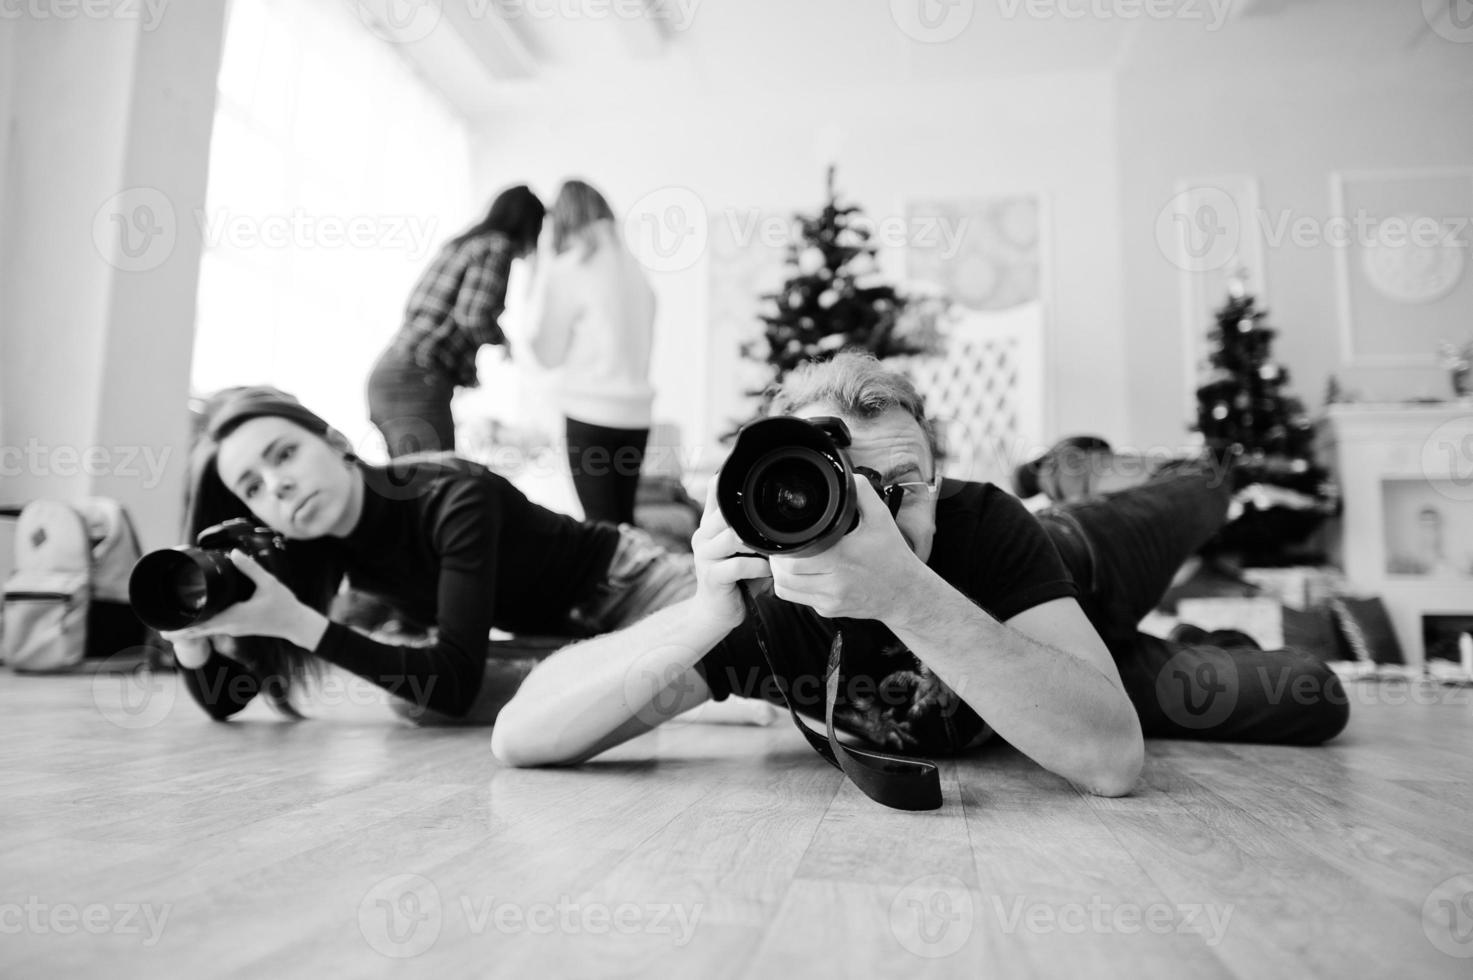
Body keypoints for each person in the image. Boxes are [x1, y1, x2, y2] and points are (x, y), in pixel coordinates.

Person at [489, 352, 1350, 796]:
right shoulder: (766, 591)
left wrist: (903, 592)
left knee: (1190, 501)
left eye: (893, 490)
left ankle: (1204, 471)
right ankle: (1173, 644)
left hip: (1072, 563)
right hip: (1059, 661)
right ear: (768, 501)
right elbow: (521, 738)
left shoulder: (982, 527)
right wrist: (705, 616)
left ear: (939, 487)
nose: (863, 514)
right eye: (830, 489)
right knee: (1297, 689)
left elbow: (1109, 763)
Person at [160, 387, 694, 724]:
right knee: (414, 696)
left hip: (627, 581)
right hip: (563, 638)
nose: (277, 486)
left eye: (285, 454)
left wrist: (301, 625)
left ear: (336, 440)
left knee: (756, 629)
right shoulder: (312, 548)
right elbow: (228, 701)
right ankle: (663, 685)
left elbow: (457, 682)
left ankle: (674, 683)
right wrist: (188, 638)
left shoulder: (450, 492)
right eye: (253, 488)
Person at [367, 185, 544, 458]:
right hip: (414, 380)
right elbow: (473, 315)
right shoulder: (496, 247)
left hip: (391, 374)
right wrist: (503, 341)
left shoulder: (461, 245)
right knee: (439, 485)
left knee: (415, 489)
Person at [528, 179, 657, 526]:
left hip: (591, 414)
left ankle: (623, 582)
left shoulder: (568, 269)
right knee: (623, 526)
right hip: (636, 416)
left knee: (601, 531)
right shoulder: (635, 270)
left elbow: (548, 354)